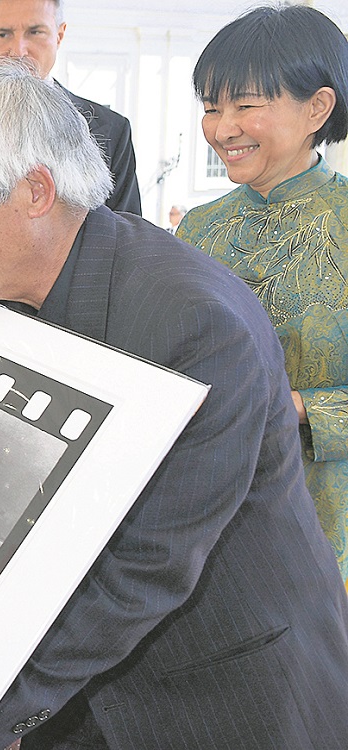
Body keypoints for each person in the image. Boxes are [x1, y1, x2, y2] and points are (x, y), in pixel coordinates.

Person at [0, 61, 348, 750]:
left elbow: (138, 569)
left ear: (36, 190)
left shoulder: (193, 328)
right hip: (79, 685)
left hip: (217, 690)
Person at [176, 5, 348, 591]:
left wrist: (299, 407)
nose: (223, 128)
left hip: (325, 526)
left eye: (247, 105)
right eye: (211, 107)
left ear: (317, 108)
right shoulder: (198, 228)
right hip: (209, 520)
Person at [0, 0, 141, 216]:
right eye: (3, 34)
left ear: (59, 35)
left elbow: (127, 235)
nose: (18, 50)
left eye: (35, 32)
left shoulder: (111, 130)